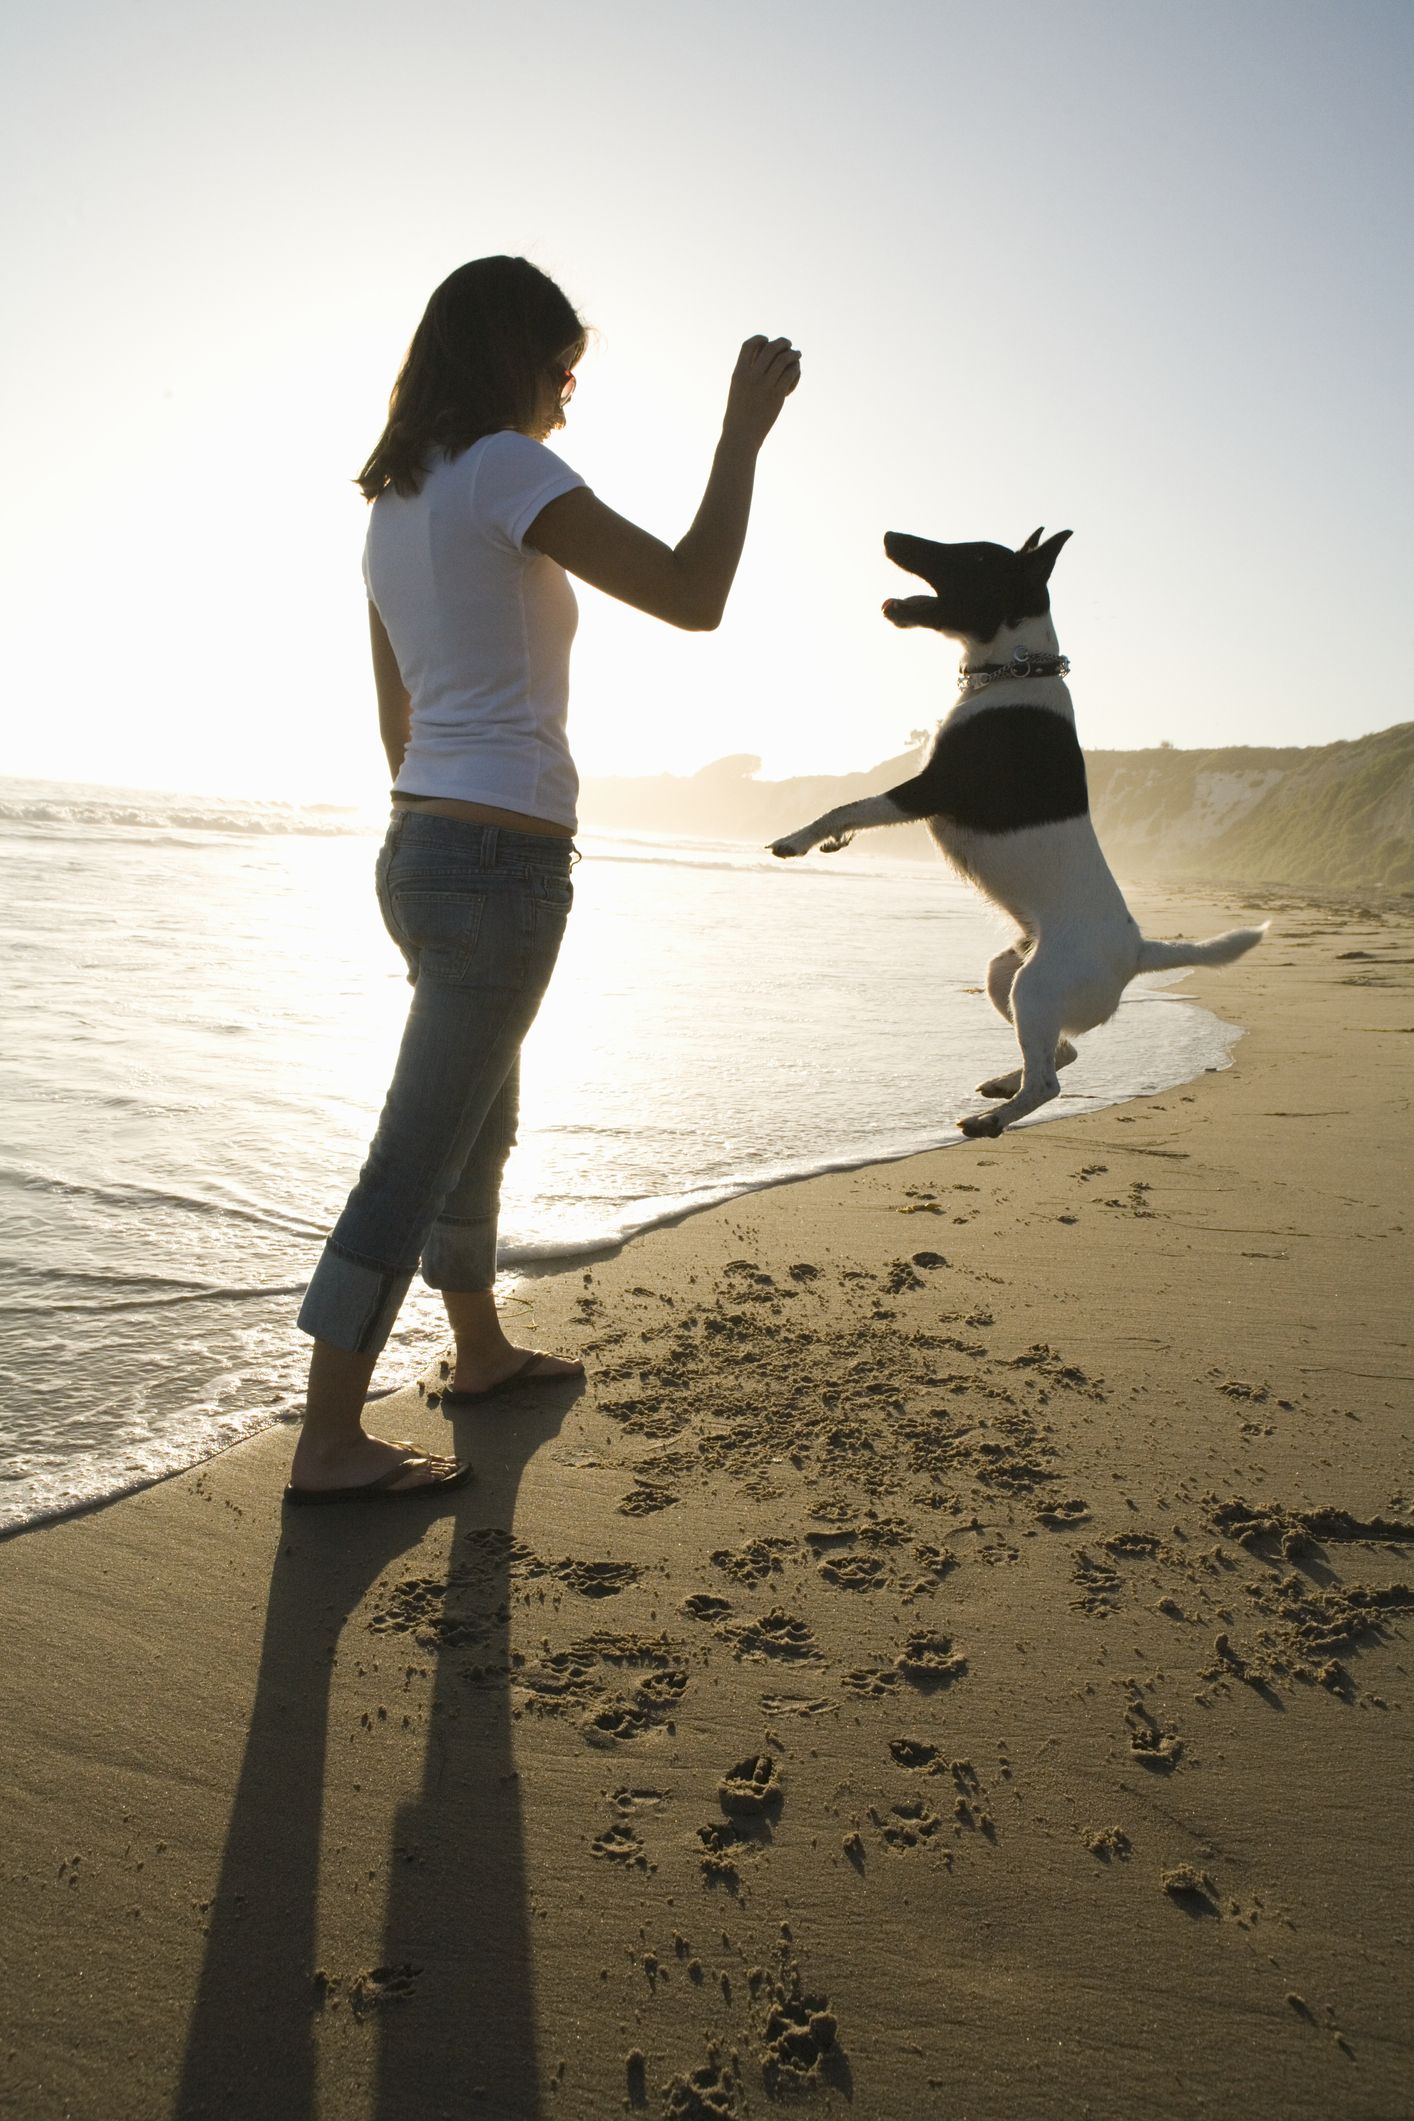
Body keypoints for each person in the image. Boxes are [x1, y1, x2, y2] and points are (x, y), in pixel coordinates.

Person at [286, 255, 801, 1502]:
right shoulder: (504, 468)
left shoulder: (393, 506)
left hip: (421, 850)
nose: (569, 394)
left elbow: (394, 725)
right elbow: (694, 595)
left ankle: (478, 1353)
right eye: (561, 368)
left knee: (476, 1116)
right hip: (497, 861)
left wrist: (449, 836)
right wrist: (742, 434)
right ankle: (329, 1439)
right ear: (514, 359)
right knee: (418, 1145)